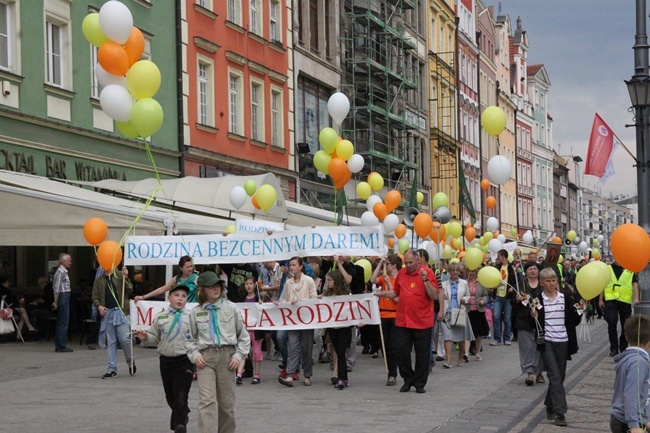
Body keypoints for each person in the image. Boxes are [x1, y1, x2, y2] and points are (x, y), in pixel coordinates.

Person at [185, 271, 250, 433]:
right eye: (211, 287)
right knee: (206, 401)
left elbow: (244, 336)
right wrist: (195, 355)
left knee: (227, 404)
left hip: (227, 358)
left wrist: (238, 355)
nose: (215, 289)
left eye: (218, 286)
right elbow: (189, 339)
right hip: (205, 358)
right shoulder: (195, 312)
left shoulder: (231, 308)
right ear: (203, 290)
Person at [136, 283, 194, 433]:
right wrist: (145, 337)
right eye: (176, 295)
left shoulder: (191, 317)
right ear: (169, 298)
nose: (180, 299)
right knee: (171, 398)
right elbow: (153, 337)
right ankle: (183, 414)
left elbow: (199, 339)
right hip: (166, 361)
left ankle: (180, 426)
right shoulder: (161, 317)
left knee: (181, 396)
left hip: (185, 360)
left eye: (183, 296)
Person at [380, 249, 438, 394]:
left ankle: (419, 383)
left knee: (422, 354)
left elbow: (434, 295)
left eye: (411, 262)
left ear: (418, 260)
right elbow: (396, 292)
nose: (408, 265)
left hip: (422, 320)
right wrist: (382, 294)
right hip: (403, 320)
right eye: (406, 262)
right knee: (401, 351)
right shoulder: (402, 273)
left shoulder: (427, 272)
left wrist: (425, 280)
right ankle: (408, 378)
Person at [531, 268, 580, 427]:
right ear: (542, 283)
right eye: (548, 281)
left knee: (560, 376)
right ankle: (560, 413)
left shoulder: (564, 298)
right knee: (554, 376)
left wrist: (580, 310)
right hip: (548, 342)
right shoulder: (538, 300)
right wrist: (533, 316)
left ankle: (549, 405)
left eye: (553, 280)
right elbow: (532, 321)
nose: (551, 283)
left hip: (563, 341)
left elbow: (573, 321)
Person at [277, 257, 318, 387]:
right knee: (293, 347)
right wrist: (279, 304)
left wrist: (300, 302)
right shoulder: (288, 283)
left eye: (294, 265)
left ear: (300, 266)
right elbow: (285, 299)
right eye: (290, 265)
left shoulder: (309, 281)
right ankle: (290, 375)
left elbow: (314, 299)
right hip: (293, 320)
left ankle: (307, 375)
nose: (291, 267)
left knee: (307, 348)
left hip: (306, 320)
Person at [609, 314, 650, 433]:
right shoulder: (638, 362)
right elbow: (631, 394)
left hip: (631, 420)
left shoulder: (631, 358)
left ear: (626, 337)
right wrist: (634, 425)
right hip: (627, 422)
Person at [93, 266, 135, 378]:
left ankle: (130, 361)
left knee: (124, 339)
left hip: (122, 312)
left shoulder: (120, 275)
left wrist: (126, 277)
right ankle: (112, 369)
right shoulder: (99, 280)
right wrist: (99, 306)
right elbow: (95, 296)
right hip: (108, 313)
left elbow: (130, 289)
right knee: (111, 341)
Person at [371, 255, 401, 386]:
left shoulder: (399, 279)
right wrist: (379, 264)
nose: (386, 266)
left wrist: (389, 283)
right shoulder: (383, 277)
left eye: (388, 264)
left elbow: (396, 299)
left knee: (393, 346)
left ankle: (393, 373)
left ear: (394, 265)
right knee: (384, 346)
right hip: (383, 315)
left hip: (394, 315)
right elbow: (372, 280)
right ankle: (390, 368)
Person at [598, 260, 639, 357]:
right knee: (611, 321)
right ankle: (614, 348)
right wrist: (600, 300)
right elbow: (602, 284)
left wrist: (636, 298)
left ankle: (623, 347)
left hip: (625, 300)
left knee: (626, 325)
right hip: (611, 299)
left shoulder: (630, 270)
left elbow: (635, 284)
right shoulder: (607, 269)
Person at [515, 261, 544, 386]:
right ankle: (530, 373)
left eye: (535, 269)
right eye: (530, 269)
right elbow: (513, 303)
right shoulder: (521, 285)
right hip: (524, 320)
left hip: (540, 320)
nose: (533, 271)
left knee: (540, 347)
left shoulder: (543, 284)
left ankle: (540, 373)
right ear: (526, 272)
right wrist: (516, 299)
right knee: (527, 347)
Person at [440, 262, 473, 368]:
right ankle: (448, 360)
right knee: (447, 336)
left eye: (456, 270)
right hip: (448, 312)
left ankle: (460, 357)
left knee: (461, 336)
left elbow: (469, 296)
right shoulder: (444, 283)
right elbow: (440, 296)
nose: (455, 272)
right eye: (453, 270)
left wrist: (465, 299)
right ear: (449, 272)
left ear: (459, 271)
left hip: (459, 311)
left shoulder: (464, 283)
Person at [324, 270, 353, 390]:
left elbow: (353, 308)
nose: (328, 283)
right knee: (337, 351)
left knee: (341, 351)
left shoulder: (347, 294)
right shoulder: (328, 295)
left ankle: (342, 378)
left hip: (345, 327)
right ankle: (343, 378)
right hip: (333, 327)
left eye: (330, 280)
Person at [235, 276, 263, 385]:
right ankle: (239, 374)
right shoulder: (242, 299)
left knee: (256, 351)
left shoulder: (258, 298)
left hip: (256, 329)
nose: (249, 286)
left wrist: (262, 303)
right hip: (245, 329)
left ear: (255, 285)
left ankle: (256, 374)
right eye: (247, 284)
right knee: (243, 351)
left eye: (251, 283)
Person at [490, 249, 517, 346]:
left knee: (507, 318)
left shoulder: (511, 268)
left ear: (503, 256)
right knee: (496, 316)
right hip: (498, 295)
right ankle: (497, 338)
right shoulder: (497, 267)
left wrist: (512, 289)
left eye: (499, 256)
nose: (498, 258)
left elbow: (515, 281)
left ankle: (506, 338)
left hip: (508, 296)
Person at [465, 267, 489, 362]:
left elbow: (486, 295)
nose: (471, 273)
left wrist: (483, 300)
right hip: (468, 310)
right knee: (467, 331)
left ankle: (477, 352)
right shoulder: (463, 283)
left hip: (479, 309)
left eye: (473, 271)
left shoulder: (480, 282)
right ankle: (466, 352)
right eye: (469, 271)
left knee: (479, 333)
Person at [52, 253, 73, 353]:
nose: (70, 262)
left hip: (64, 296)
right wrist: (55, 302)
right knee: (63, 321)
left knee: (63, 321)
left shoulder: (63, 272)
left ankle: (60, 344)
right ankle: (61, 345)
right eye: (69, 260)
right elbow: (57, 288)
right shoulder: (61, 272)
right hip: (63, 296)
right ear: (63, 261)